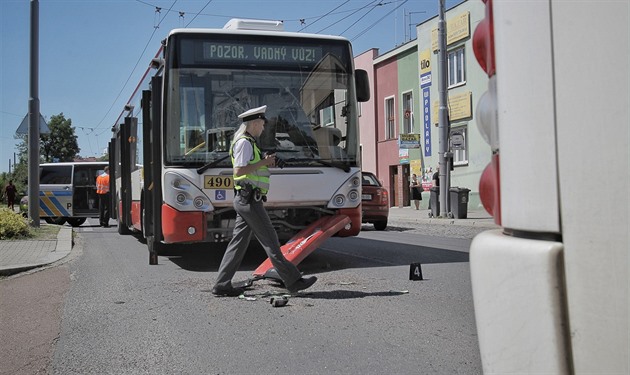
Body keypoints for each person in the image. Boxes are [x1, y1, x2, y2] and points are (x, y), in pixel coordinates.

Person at [212, 105, 317, 297]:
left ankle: (222, 284)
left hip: (246, 199)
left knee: (237, 244)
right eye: (261, 123)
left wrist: (267, 161)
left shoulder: (248, 143)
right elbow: (239, 171)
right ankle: (293, 281)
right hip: (249, 200)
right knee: (271, 242)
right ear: (253, 123)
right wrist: (265, 162)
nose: (263, 127)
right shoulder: (244, 142)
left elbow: (251, 168)